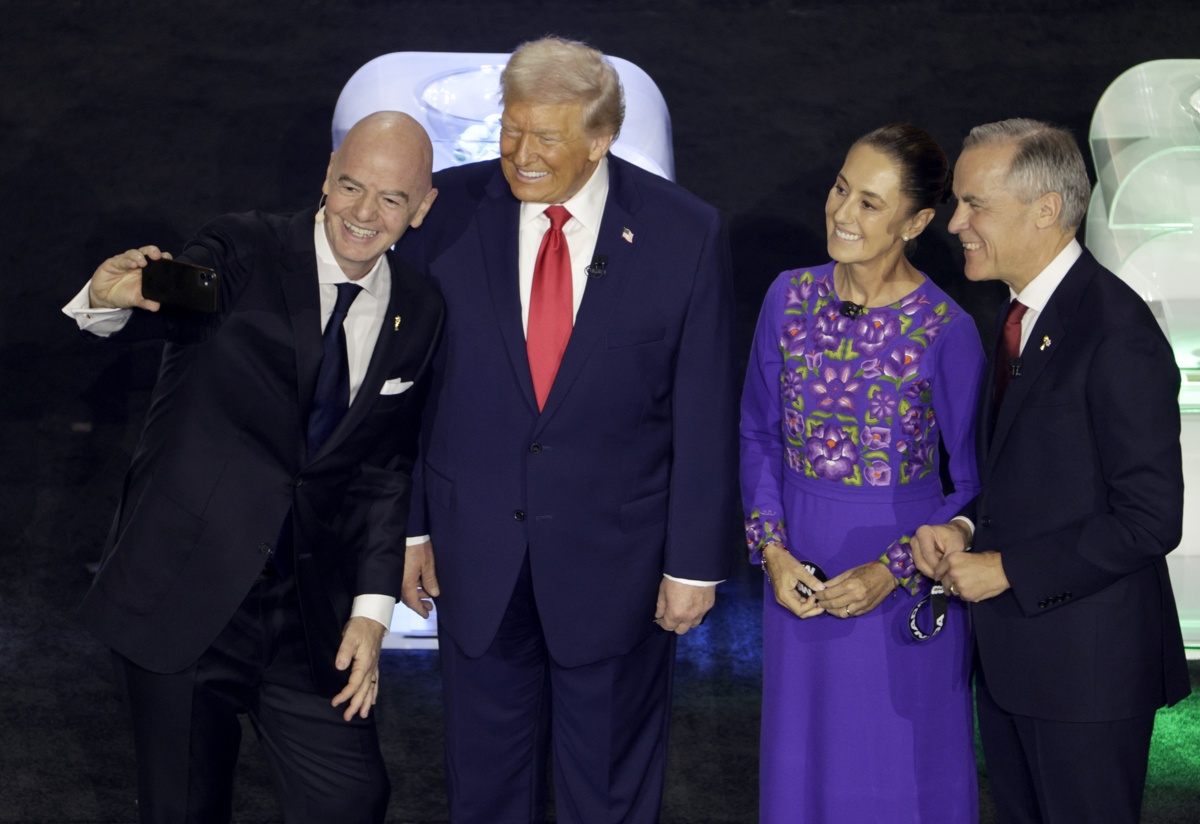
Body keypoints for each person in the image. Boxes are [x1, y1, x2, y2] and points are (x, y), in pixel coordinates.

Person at [61, 112, 443, 823]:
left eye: (391, 198)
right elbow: (186, 289)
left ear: (423, 207)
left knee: (353, 798)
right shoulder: (244, 250)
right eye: (351, 187)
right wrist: (115, 297)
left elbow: (385, 469)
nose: (363, 214)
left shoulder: (420, 311)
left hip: (309, 622)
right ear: (327, 176)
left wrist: (370, 614)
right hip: (184, 604)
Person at [398, 36, 739, 823]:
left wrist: (694, 563)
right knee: (484, 789)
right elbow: (406, 387)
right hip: (475, 555)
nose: (519, 154)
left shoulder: (684, 234)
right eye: (511, 129)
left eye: (544, 138)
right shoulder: (444, 215)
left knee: (609, 792)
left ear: (601, 137)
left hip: (618, 566)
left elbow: (703, 407)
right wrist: (411, 526)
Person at [912, 118, 1190, 824]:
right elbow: (1033, 478)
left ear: (1046, 210)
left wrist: (1007, 570)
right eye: (958, 203)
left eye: (975, 204)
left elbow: (1150, 518)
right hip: (1021, 668)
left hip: (1089, 678)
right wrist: (967, 527)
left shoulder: (1115, 332)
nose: (955, 223)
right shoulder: (1019, 316)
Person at [740, 123, 984, 823]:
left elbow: (970, 483)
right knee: (804, 770)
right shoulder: (787, 298)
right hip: (802, 574)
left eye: (870, 203)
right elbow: (756, 430)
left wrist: (897, 569)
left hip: (898, 584)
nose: (842, 212)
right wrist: (773, 550)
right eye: (842, 188)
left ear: (917, 221)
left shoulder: (946, 329)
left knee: (898, 778)